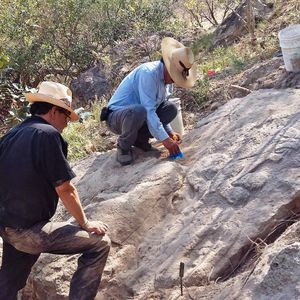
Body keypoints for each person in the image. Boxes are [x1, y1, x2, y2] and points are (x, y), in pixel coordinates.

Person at [0, 81, 110, 300]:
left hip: (7, 226)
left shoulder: (11, 135)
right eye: (66, 116)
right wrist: (85, 224)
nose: (66, 123)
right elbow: (65, 188)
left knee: (9, 283)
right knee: (100, 244)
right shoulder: (48, 135)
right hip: (29, 230)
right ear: (53, 111)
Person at [102, 37, 197, 166]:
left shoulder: (168, 82)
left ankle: (140, 141)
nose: (175, 80)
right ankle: (123, 147)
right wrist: (165, 140)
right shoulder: (148, 74)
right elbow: (149, 111)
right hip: (117, 117)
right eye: (175, 75)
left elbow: (159, 108)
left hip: (139, 116)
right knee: (139, 111)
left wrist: (169, 133)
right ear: (168, 67)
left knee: (170, 108)